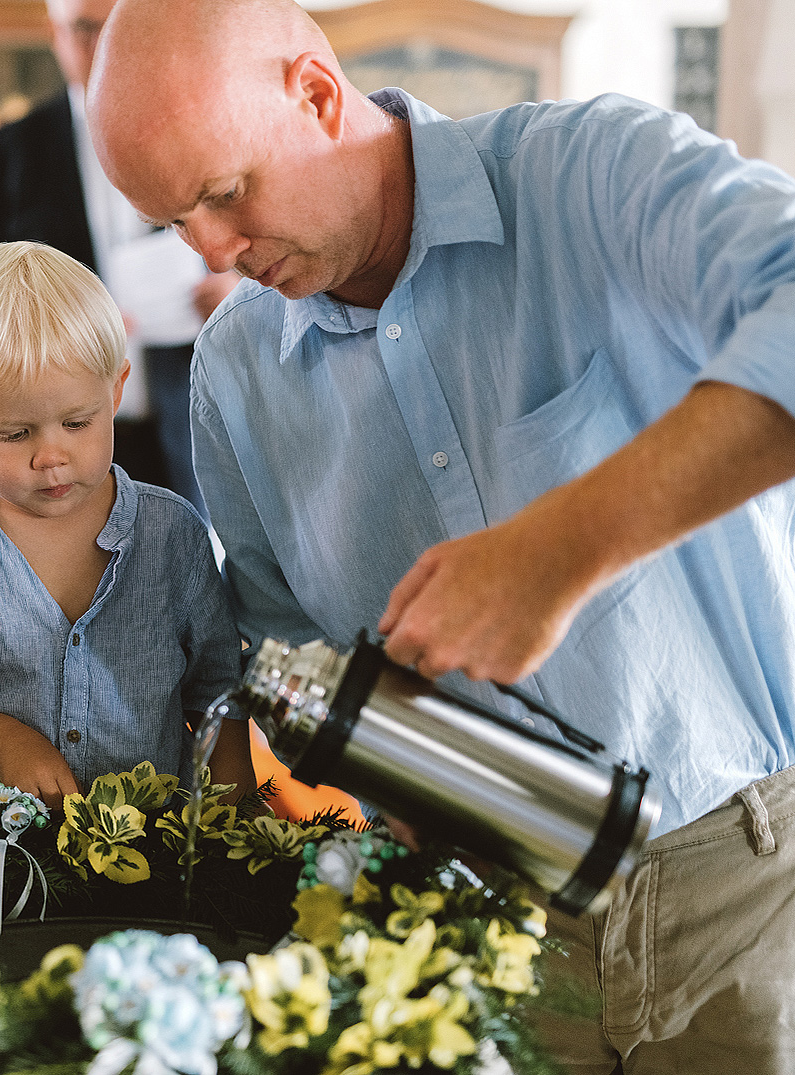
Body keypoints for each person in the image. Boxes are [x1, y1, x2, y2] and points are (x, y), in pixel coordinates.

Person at [89, 0, 795, 1069]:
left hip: (749, 890)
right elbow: (290, 664)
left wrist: (561, 547)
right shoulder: (234, 376)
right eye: (173, 221)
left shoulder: (588, 175)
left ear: (317, 95)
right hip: (478, 929)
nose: (215, 252)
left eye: (225, 193)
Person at [0, 241, 257, 809]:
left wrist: (232, 809)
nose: (51, 455)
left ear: (115, 390)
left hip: (153, 857)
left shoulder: (173, 535)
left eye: (77, 422)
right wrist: (0, 739)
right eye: (14, 434)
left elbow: (218, 687)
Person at [0, 0, 239, 518]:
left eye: (117, 25)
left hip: (190, 420)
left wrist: (237, 285)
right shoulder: (10, 152)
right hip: (53, 441)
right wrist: (58, 325)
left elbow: (252, 232)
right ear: (56, 35)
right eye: (83, 28)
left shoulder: (194, 127)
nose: (104, 42)